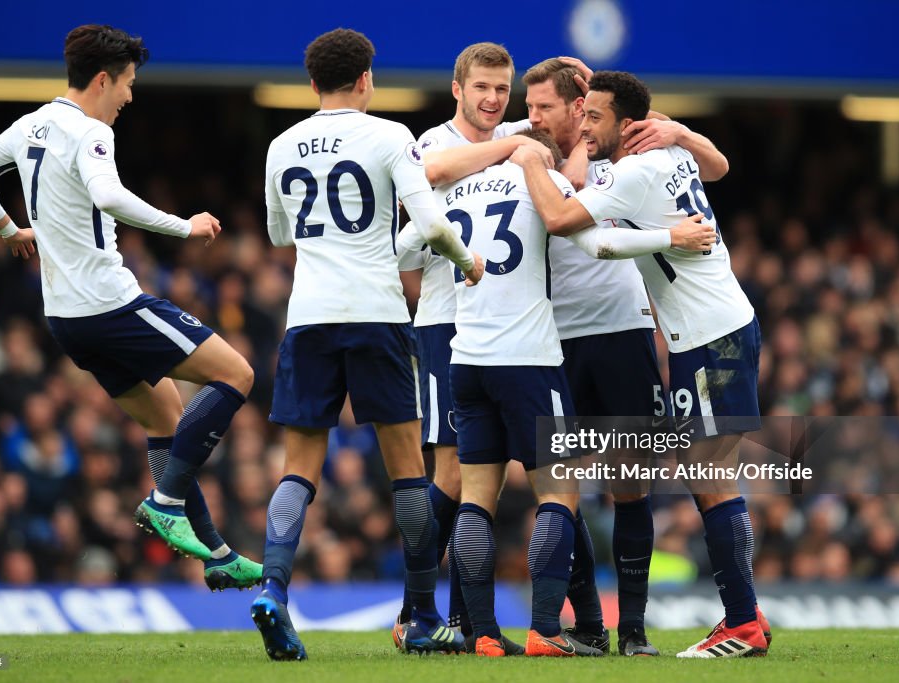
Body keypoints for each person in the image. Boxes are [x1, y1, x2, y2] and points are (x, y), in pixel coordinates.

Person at [0, 24, 260, 591]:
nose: (129, 97)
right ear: (102, 79)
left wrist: (5, 229)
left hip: (66, 320)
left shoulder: (30, 125)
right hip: (111, 306)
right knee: (237, 374)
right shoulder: (91, 132)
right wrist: (183, 227)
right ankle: (165, 502)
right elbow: (110, 196)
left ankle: (217, 554)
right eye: (127, 84)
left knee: (168, 420)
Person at [405, 127, 713, 656]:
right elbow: (601, 242)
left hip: (466, 360)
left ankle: (481, 634)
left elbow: (408, 245)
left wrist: (464, 261)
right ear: (541, 154)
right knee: (558, 496)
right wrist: (672, 238)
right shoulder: (540, 181)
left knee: (476, 501)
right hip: (529, 360)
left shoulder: (455, 188)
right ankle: (546, 629)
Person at [511, 69, 772, 658]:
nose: (585, 124)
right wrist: (678, 139)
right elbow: (716, 168)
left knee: (710, 478)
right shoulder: (666, 151)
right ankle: (746, 612)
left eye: (595, 117)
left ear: (627, 125)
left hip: (710, 334)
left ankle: (741, 622)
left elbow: (570, 227)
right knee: (709, 474)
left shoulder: (633, 170)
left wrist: (531, 165)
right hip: (706, 330)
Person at [256, 28, 483, 661]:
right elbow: (431, 222)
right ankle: (420, 619)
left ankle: (273, 589)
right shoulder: (389, 137)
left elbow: (280, 234)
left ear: (311, 85)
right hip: (377, 314)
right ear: (365, 81)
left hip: (308, 316)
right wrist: (466, 261)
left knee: (298, 468)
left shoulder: (280, 145)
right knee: (408, 466)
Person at [394, 41, 540, 656]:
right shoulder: (430, 143)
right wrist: (512, 141)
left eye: (501, 89)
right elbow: (432, 179)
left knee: (485, 478)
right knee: (450, 474)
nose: (491, 99)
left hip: (500, 333)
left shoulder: (509, 135)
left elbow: (541, 122)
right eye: (481, 86)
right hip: (445, 325)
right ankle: (414, 609)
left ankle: (457, 617)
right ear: (457, 88)